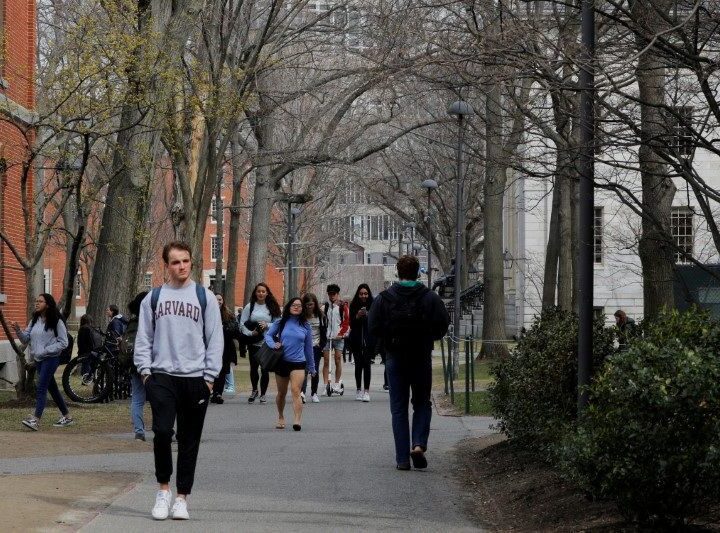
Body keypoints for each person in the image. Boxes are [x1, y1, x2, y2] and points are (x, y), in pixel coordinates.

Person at [134, 241, 223, 521]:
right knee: (161, 432)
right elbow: (143, 338)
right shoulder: (154, 298)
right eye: (175, 262)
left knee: (189, 439)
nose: (181, 266)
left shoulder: (204, 297)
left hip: (195, 379)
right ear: (167, 265)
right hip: (161, 377)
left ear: (191, 263)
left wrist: (209, 379)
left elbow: (215, 339)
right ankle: (163, 491)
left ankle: (182, 497)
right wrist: (146, 373)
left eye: (185, 261)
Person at [369, 255, 450, 471]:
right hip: (421, 355)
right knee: (422, 403)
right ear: (418, 273)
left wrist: (388, 339)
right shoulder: (430, 297)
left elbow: (373, 326)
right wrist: (427, 337)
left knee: (398, 408)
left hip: (395, 356)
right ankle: (418, 444)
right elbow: (443, 324)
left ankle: (402, 459)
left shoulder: (384, 298)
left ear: (397, 272)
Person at [12, 293, 74, 430]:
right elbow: (25, 339)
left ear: (48, 304)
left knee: (41, 387)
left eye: (40, 301)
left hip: (51, 359)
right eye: (36, 301)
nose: (37, 303)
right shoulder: (34, 320)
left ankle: (35, 420)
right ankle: (67, 416)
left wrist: (46, 350)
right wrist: (17, 330)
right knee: (52, 388)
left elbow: (64, 342)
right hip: (39, 360)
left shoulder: (56, 321)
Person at [264, 297, 317, 431]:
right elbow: (268, 335)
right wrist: (273, 344)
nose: (296, 307)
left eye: (299, 305)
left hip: (299, 363)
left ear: (302, 308)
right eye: (294, 305)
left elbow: (309, 348)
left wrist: (312, 367)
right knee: (281, 393)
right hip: (282, 361)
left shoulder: (305, 325)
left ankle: (297, 420)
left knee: (296, 390)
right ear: (288, 307)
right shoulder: (281, 322)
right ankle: (281, 417)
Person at [239, 283, 281, 403]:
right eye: (259, 291)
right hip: (253, 342)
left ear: (267, 293)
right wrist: (251, 333)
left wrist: (267, 325)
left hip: (267, 342)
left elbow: (279, 324)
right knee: (253, 367)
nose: (261, 293)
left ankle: (263, 394)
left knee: (264, 369)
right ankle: (254, 390)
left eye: (263, 291)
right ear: (255, 293)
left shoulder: (272, 307)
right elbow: (242, 324)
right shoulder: (250, 306)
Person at [125, 291, 149, 441]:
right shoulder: (151, 321)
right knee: (160, 399)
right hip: (151, 365)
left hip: (134, 365)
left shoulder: (132, 322)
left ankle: (139, 431)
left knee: (137, 399)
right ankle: (167, 430)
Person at [211, 293, 242, 404]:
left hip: (225, 347)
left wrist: (225, 328)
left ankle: (218, 393)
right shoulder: (206, 313)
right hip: (210, 347)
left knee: (223, 370)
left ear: (223, 301)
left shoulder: (228, 314)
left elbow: (236, 331)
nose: (218, 301)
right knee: (212, 370)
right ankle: (212, 391)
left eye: (220, 299)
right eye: (215, 299)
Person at [349, 284, 375, 402]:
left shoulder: (373, 305)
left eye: (365, 293)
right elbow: (351, 324)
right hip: (356, 340)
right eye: (361, 294)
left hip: (368, 340)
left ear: (368, 294)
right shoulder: (353, 305)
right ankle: (358, 389)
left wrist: (368, 315)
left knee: (367, 365)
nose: (363, 296)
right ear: (358, 294)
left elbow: (376, 322)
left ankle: (367, 391)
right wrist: (357, 316)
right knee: (358, 365)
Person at [323, 284, 349, 396]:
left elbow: (346, 322)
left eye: (334, 294)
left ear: (338, 294)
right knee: (326, 361)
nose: (332, 296)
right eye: (330, 294)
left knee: (338, 359)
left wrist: (342, 334)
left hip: (338, 337)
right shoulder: (325, 307)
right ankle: (326, 385)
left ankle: (337, 383)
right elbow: (322, 323)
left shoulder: (343, 306)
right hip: (327, 337)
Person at [300, 293, 327, 404]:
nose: (309, 307)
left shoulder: (321, 316)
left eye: (311, 304)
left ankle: (314, 393)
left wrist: (321, 346)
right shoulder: (301, 317)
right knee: (304, 370)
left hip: (315, 347)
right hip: (303, 346)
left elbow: (324, 333)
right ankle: (302, 393)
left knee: (314, 369)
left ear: (315, 304)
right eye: (307, 305)